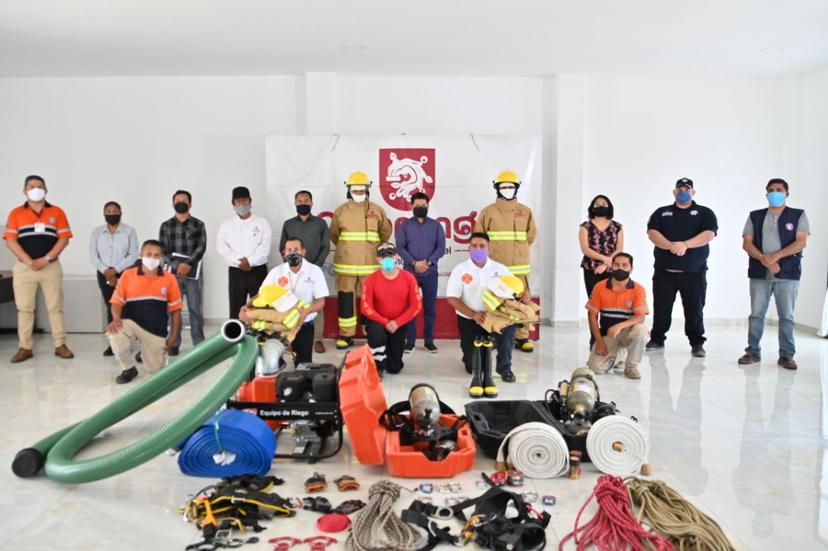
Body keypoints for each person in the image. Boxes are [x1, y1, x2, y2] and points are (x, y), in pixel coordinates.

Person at [738, 179, 809, 370]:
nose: (775, 193)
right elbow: (747, 243)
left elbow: (801, 242)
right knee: (756, 315)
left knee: (787, 316)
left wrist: (775, 257)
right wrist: (764, 259)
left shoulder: (798, 215)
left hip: (788, 274)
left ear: (787, 194)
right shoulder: (755, 216)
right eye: (771, 190)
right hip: (760, 273)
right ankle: (752, 351)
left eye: (779, 190)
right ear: (766, 194)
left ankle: (786, 355)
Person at [4, 175, 74, 363]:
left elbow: (64, 238)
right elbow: (10, 240)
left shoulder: (57, 212)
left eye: (40, 186)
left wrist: (46, 259)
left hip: (50, 267)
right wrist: (28, 260)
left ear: (46, 189)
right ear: (24, 191)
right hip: (24, 268)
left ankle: (60, 344)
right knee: (25, 309)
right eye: (32, 186)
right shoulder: (16, 213)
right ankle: (25, 347)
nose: (36, 189)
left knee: (55, 307)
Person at [646, 178, 718, 357]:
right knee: (661, 307)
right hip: (664, 273)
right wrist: (672, 246)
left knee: (694, 309)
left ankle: (696, 342)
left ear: (693, 192)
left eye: (687, 189)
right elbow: (652, 233)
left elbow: (709, 234)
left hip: (694, 273)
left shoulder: (705, 213)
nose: (683, 191)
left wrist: (685, 244)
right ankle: (657, 339)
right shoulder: (662, 212)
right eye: (679, 189)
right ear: (674, 192)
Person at [474, 170, 537, 353]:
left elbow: (530, 237)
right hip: (496, 267)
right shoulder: (488, 212)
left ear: (516, 188)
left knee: (522, 299)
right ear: (497, 189)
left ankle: (522, 337)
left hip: (520, 268)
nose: (507, 189)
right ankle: (495, 334)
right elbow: (479, 238)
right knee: (496, 300)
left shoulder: (525, 212)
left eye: (511, 186)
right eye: (504, 187)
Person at [329, 171, 392, 350]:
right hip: (346, 264)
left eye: (361, 190)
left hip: (370, 265)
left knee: (369, 300)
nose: (358, 194)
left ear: (367, 190)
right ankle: (346, 335)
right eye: (355, 191)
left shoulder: (377, 210)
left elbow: (385, 233)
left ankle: (370, 332)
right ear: (349, 190)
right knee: (346, 299)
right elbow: (334, 234)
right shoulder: (340, 211)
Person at [242, 237, 328, 365]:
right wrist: (245, 307)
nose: (293, 253)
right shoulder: (276, 272)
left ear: (303, 251)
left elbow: (321, 302)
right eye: (289, 250)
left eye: (296, 249)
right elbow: (261, 295)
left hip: (303, 324)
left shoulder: (315, 271)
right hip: (277, 325)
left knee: (303, 365)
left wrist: (307, 311)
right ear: (284, 253)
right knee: (270, 362)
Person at [446, 232, 519, 382]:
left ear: (489, 249)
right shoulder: (460, 269)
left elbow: (514, 291)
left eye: (482, 246)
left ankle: (504, 368)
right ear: (469, 248)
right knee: (470, 367)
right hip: (470, 319)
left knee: (509, 329)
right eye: (474, 246)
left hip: (495, 317)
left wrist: (523, 294)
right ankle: (477, 352)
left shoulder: (500, 269)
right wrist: (473, 314)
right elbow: (452, 298)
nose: (478, 249)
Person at [107, 240, 182, 384]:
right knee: (115, 332)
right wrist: (116, 319)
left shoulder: (169, 278)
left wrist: (173, 337)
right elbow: (116, 302)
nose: (152, 258)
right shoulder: (127, 275)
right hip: (131, 323)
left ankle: (146, 353)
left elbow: (176, 310)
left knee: (155, 373)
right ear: (141, 255)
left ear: (161, 258)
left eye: (156, 255)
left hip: (155, 330)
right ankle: (128, 368)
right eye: (148, 254)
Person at [279, 190, 330, 353]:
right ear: (295, 203)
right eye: (299, 201)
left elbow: (325, 246)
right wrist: (291, 267)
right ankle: (291, 338)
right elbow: (282, 247)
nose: (302, 203)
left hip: (315, 269)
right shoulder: (288, 224)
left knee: (317, 304)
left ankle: (318, 339)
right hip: (293, 271)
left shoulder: (320, 223)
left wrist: (315, 266)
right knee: (291, 304)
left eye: (305, 200)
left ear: (311, 203)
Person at [395, 191, 446, 354]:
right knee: (410, 308)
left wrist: (428, 262)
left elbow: (441, 247)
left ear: (428, 206)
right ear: (411, 206)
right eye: (417, 206)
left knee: (430, 308)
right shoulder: (404, 226)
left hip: (430, 273)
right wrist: (414, 263)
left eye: (423, 206)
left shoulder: (436, 226)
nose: (420, 208)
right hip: (410, 274)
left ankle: (429, 341)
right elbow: (400, 247)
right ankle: (409, 342)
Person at [360, 243, 421, 375]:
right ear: (378, 259)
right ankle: (376, 366)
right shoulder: (370, 280)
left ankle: (386, 352)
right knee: (377, 335)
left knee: (394, 368)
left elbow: (416, 306)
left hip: (398, 323)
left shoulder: (409, 278)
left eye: (390, 255)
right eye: (383, 256)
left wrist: (397, 322)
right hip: (377, 321)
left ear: (396, 257)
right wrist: (384, 321)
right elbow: (366, 307)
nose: (387, 259)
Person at [586, 253, 649, 379]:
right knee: (596, 368)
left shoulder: (638, 289)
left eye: (625, 265)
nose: (620, 268)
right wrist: (599, 341)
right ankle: (620, 355)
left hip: (627, 332)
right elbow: (592, 315)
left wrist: (620, 326)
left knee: (641, 330)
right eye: (616, 265)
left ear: (631, 269)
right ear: (611, 267)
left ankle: (631, 367)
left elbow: (640, 317)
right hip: (608, 334)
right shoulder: (600, 287)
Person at [159, 189, 206, 355]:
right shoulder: (166, 226)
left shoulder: (199, 224)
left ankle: (199, 344)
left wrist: (188, 264)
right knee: (174, 309)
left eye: (184, 201)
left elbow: (201, 247)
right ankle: (174, 343)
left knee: (195, 308)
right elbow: (163, 251)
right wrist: (178, 265)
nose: (180, 203)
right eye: (177, 200)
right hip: (173, 275)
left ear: (190, 204)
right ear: (173, 204)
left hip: (194, 274)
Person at [89, 201, 139, 356]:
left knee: (125, 306)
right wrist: (106, 271)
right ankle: (113, 343)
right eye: (108, 211)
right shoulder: (97, 232)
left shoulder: (129, 231)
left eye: (114, 211)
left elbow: (133, 254)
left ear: (120, 213)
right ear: (104, 214)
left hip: (124, 273)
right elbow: (93, 255)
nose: (111, 214)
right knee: (110, 306)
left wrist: (116, 270)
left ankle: (128, 340)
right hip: (103, 273)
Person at [217, 186, 272, 320]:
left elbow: (265, 247)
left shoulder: (262, 222)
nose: (242, 204)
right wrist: (239, 261)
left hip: (258, 271)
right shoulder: (226, 225)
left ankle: (260, 339)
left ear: (250, 201)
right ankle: (236, 339)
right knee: (236, 309)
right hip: (236, 272)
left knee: (260, 307)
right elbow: (222, 247)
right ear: (233, 203)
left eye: (244, 200)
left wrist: (250, 261)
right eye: (238, 201)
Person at [579, 195, 624, 297]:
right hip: (591, 267)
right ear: (593, 208)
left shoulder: (617, 227)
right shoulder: (585, 227)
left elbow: (619, 249)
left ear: (609, 207)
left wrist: (606, 264)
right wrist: (604, 259)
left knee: (610, 300)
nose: (600, 206)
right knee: (593, 300)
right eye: (597, 204)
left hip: (611, 266)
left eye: (604, 204)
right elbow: (585, 249)